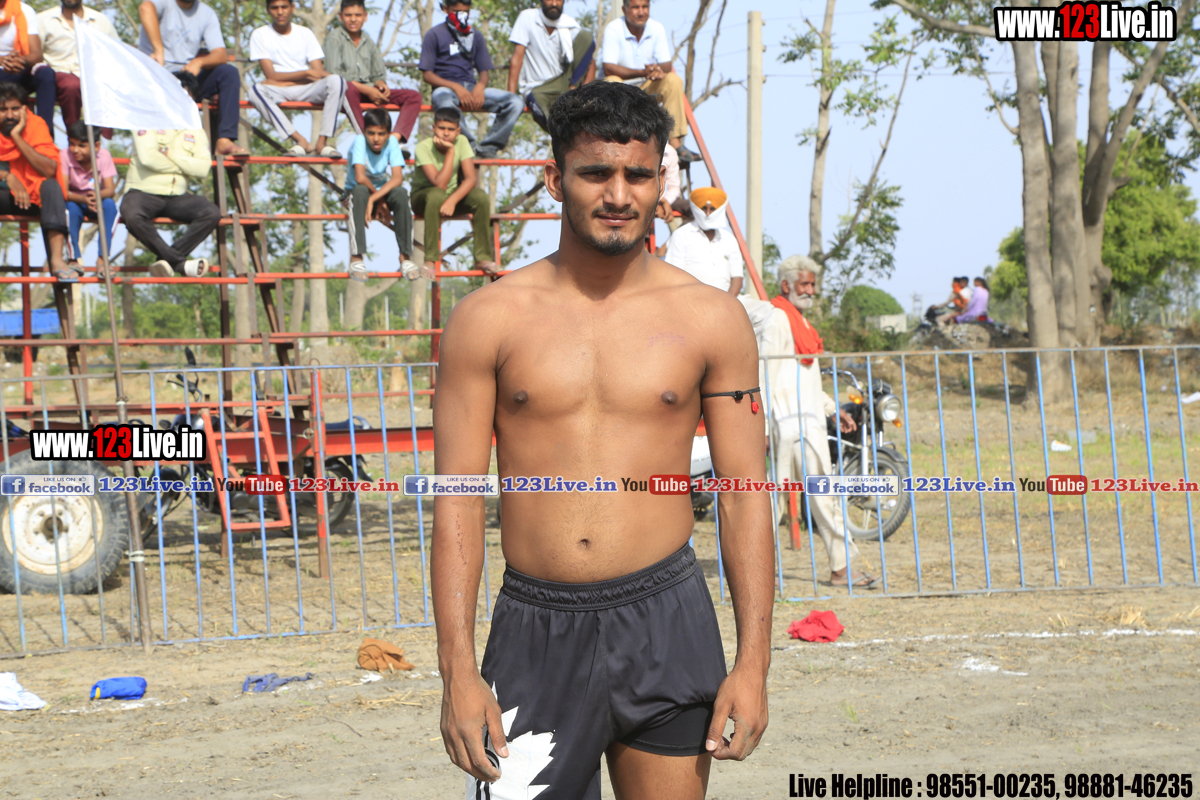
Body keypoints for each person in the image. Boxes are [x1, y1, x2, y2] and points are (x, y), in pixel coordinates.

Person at [432, 81, 771, 799]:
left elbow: (744, 496)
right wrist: (457, 669)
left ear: (660, 182)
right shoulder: (486, 320)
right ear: (555, 178)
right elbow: (457, 501)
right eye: (595, 173)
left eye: (638, 175)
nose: (619, 195)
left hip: (667, 618)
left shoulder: (712, 320)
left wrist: (754, 664)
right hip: (535, 629)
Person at [762, 255, 879, 589]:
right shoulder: (777, 319)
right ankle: (754, 570)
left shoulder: (801, 322)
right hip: (785, 422)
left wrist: (831, 409)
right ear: (786, 285)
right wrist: (763, 427)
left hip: (809, 421)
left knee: (819, 495)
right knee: (774, 501)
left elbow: (807, 379)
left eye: (813, 285)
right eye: (805, 284)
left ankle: (840, 568)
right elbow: (764, 373)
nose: (810, 290)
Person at [138, 0, 249, 157]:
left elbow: (220, 55)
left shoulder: (207, 14)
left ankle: (224, 140)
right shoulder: (164, 3)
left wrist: (199, 62)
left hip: (188, 78)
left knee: (229, 73)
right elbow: (145, 7)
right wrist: (158, 50)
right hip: (158, 76)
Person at [418, 0, 522, 159]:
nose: (462, 16)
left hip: (472, 87)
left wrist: (480, 87)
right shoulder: (434, 34)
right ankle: (469, 145)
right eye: (456, 12)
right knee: (442, 100)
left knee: (515, 101)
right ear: (445, 9)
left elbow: (484, 72)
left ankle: (489, 146)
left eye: (465, 12)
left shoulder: (475, 35)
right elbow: (427, 75)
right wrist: (456, 87)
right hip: (445, 89)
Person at [600, 0, 699, 162]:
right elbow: (608, 68)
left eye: (645, 7)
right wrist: (642, 72)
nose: (641, 12)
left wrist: (657, 70)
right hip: (620, 91)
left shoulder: (656, 27)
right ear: (624, 10)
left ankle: (675, 142)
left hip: (646, 88)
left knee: (673, 80)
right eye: (635, 7)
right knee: (611, 81)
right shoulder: (614, 28)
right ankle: (615, 135)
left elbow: (666, 64)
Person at [248, 0, 348, 159]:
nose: (280, 12)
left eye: (284, 7)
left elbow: (318, 73)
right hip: (280, 90)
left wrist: (301, 76)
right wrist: (306, 73)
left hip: (307, 88)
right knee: (255, 91)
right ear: (268, 10)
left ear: (292, 8)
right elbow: (271, 76)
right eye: (275, 8)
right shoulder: (260, 34)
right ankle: (300, 140)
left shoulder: (305, 33)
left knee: (337, 81)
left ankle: (322, 142)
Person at [121, 127, 220, 279]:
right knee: (132, 215)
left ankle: (166, 260)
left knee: (211, 213)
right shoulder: (145, 119)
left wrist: (170, 155)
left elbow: (203, 169)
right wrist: (185, 167)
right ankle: (180, 263)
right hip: (142, 191)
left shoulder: (195, 129)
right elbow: (149, 158)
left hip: (177, 195)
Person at [411, 106, 494, 277]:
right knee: (436, 195)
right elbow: (439, 184)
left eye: (450, 129)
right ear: (434, 128)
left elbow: (470, 179)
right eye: (441, 128)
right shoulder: (423, 147)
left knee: (480, 197)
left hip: (449, 199)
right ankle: (430, 260)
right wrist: (450, 152)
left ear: (458, 131)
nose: (446, 133)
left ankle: (483, 257)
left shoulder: (462, 141)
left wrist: (453, 200)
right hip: (423, 199)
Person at [325, 0, 421, 149]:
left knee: (413, 96)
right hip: (347, 93)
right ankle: (366, 138)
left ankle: (394, 140)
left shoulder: (367, 40)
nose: (353, 19)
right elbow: (335, 76)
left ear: (365, 16)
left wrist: (381, 85)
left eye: (357, 15)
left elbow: (378, 74)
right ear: (340, 16)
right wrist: (367, 90)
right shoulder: (334, 38)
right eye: (348, 15)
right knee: (348, 88)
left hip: (371, 92)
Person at [0, 83, 67, 279]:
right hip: (5, 196)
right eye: (3, 110)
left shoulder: (36, 125)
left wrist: (17, 137)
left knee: (52, 186)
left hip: (34, 196)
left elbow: (49, 170)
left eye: (15, 109)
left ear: (24, 109)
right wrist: (7, 176)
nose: (9, 115)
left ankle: (57, 260)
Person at [345, 108, 418, 282]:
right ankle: (356, 258)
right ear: (364, 132)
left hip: (378, 194)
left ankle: (405, 257)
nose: (376, 139)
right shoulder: (359, 142)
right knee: (360, 191)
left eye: (381, 134)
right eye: (371, 133)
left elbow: (397, 178)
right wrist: (378, 200)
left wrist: (376, 199)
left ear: (389, 134)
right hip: (358, 193)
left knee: (400, 193)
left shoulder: (392, 143)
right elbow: (360, 177)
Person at [506, 0, 594, 131]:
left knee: (586, 37)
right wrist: (511, 97)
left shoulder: (570, 24)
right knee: (553, 122)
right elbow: (517, 58)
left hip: (564, 83)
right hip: (537, 88)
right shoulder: (528, 17)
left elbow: (589, 60)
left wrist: (583, 92)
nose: (554, 3)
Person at [36, 0, 116, 131]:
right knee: (71, 86)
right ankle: (74, 137)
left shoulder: (100, 21)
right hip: (58, 73)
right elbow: (34, 53)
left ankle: (98, 139)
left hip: (94, 76)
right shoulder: (43, 20)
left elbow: (114, 52)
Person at [663, 186, 742, 296]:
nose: (708, 214)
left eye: (712, 209)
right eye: (704, 208)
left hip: (727, 300)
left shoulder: (728, 239)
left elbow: (737, 277)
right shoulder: (681, 235)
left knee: (764, 307)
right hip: (691, 299)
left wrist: (728, 302)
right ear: (696, 209)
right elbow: (674, 275)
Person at [61, 121, 116, 274]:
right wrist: (83, 199)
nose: (75, 150)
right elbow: (64, 191)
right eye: (72, 144)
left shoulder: (104, 156)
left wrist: (97, 196)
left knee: (110, 206)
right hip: (74, 200)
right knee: (69, 211)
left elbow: (110, 189)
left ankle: (103, 259)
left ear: (96, 146)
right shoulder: (64, 155)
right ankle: (73, 258)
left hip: (96, 200)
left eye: (81, 146)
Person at [0, 0, 54, 132]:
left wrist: (20, 60)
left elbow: (36, 54)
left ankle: (45, 132)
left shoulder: (24, 10)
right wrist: (2, 60)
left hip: (18, 68)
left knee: (46, 74)